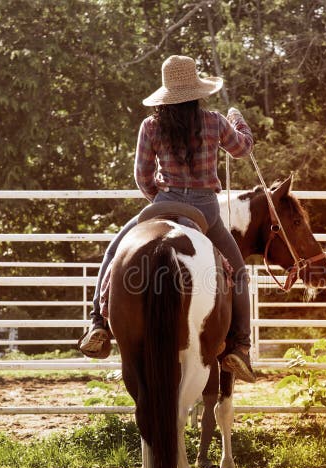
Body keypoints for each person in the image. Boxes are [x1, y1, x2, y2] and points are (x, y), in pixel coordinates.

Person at [77, 55, 256, 383]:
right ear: (197, 91)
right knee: (239, 273)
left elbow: (142, 175)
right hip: (206, 211)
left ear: (166, 93)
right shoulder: (215, 121)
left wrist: (160, 200)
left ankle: (98, 324)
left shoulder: (151, 126)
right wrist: (239, 120)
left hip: (163, 204)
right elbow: (243, 148)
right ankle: (240, 346)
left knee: (113, 254)